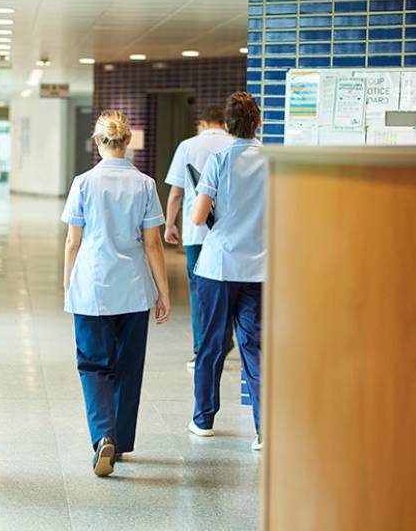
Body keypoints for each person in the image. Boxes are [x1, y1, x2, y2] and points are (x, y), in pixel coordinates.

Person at [62, 110, 171, 477]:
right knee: (128, 368)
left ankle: (103, 435)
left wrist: (68, 282)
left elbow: (72, 241)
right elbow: (153, 243)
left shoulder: (83, 183)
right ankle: (120, 442)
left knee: (93, 365)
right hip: (134, 289)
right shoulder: (145, 184)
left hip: (92, 286)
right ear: (128, 143)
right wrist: (163, 292)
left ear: (98, 143)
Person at [187, 92, 265, 451]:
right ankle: (264, 430)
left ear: (228, 126)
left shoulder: (219, 160)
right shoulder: (273, 162)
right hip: (259, 268)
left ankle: (204, 419)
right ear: (258, 123)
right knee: (255, 347)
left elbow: (198, 217)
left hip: (218, 268)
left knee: (211, 345)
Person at [164, 105, 234, 369]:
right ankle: (224, 339)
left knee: (197, 289)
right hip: (228, 231)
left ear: (203, 123)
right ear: (224, 123)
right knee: (227, 286)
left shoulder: (188, 146)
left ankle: (202, 346)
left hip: (196, 232)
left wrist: (170, 224)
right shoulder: (236, 144)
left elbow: (176, 193)